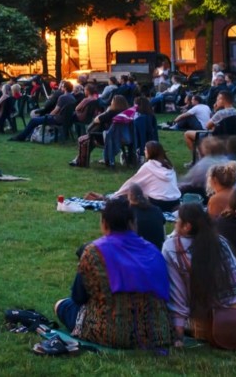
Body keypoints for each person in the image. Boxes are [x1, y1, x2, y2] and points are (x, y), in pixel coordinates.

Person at [53, 198, 172, 349]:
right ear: (133, 223)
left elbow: (78, 297)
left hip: (111, 333)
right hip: (155, 333)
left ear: (104, 223)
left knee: (62, 305)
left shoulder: (94, 252)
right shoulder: (153, 250)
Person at [163, 203, 236, 349]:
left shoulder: (172, 248)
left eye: (177, 221)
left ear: (186, 226)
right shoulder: (220, 242)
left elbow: (178, 296)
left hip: (215, 327)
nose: (174, 224)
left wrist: (178, 334)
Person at [87, 141, 181, 212]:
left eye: (145, 149)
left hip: (159, 204)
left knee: (129, 196)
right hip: (175, 202)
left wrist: (116, 195)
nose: (144, 151)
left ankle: (107, 199)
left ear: (151, 152)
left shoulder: (149, 166)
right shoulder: (169, 166)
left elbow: (132, 184)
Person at [10, 81, 75, 141]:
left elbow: (55, 110)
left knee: (34, 120)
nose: (61, 88)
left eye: (62, 87)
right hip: (67, 120)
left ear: (65, 88)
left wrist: (48, 115)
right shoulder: (72, 98)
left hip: (57, 119)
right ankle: (28, 136)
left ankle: (21, 137)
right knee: (36, 120)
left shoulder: (63, 97)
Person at [125, 184, 166, 250]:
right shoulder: (157, 209)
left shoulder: (129, 213)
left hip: (141, 251)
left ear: (129, 196)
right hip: (159, 249)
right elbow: (163, 231)